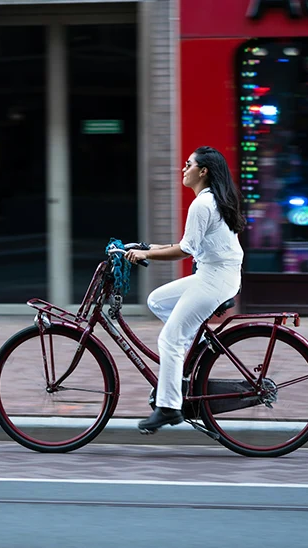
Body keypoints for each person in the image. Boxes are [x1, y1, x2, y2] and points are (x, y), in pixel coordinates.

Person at [126, 146, 245, 432]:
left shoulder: (203, 204)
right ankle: (197, 345)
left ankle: (168, 408)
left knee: (169, 340)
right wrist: (143, 247)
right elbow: (187, 245)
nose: (183, 168)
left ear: (203, 171)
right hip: (213, 275)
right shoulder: (209, 201)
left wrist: (146, 256)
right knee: (157, 300)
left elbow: (184, 250)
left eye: (188, 164)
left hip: (215, 279)